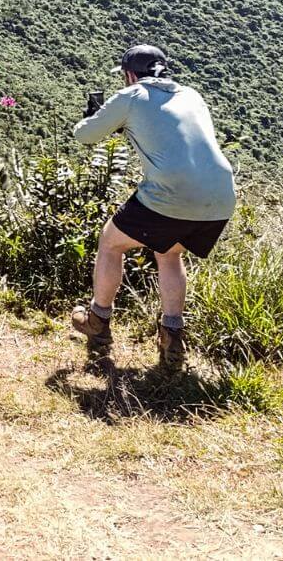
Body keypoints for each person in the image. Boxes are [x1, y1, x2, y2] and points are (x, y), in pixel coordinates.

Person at [70, 44, 236, 370]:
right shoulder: (191, 95)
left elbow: (85, 136)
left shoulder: (130, 96)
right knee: (168, 252)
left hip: (169, 195)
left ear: (130, 75)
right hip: (220, 195)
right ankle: (173, 334)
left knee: (110, 242)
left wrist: (98, 116)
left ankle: (98, 322)